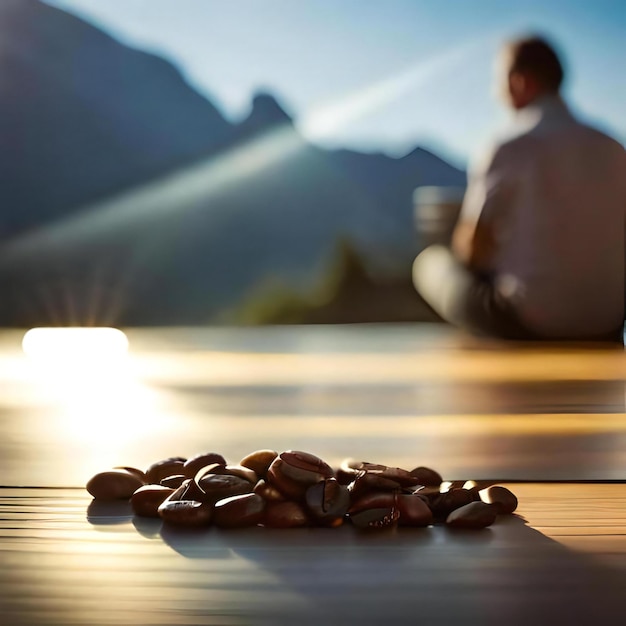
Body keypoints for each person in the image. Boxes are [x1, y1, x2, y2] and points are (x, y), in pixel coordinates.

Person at [413, 35, 626, 342]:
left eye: (499, 81)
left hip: (527, 323)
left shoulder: (509, 145)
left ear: (519, 82)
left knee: (429, 264)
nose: (496, 92)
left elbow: (473, 249)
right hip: (607, 323)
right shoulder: (614, 148)